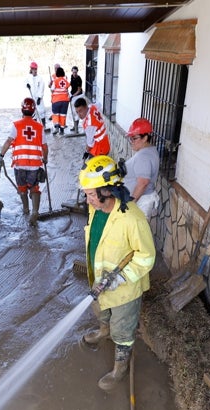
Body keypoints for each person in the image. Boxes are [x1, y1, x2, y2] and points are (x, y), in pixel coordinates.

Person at [78, 155, 155, 391]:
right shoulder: (96, 209)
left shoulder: (132, 218)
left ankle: (119, 368)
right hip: (100, 281)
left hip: (125, 289)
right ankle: (104, 330)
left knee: (123, 328)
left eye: (91, 193)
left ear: (108, 191)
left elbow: (147, 256)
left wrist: (120, 277)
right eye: (87, 193)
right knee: (101, 311)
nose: (87, 199)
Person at [0, 97, 49, 227]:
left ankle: (25, 210)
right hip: (34, 166)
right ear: (33, 111)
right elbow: (44, 147)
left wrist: (1, 155)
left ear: (22, 109)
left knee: (22, 188)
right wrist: (45, 158)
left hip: (20, 165)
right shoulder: (39, 127)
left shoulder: (16, 125)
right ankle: (35, 212)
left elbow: (9, 141)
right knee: (34, 187)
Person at [125, 118, 161, 219]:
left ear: (145, 138)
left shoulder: (144, 156)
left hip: (140, 202)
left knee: (136, 233)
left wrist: (130, 204)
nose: (131, 142)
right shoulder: (150, 151)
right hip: (142, 200)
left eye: (134, 138)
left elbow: (143, 183)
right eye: (130, 138)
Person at [49, 66, 71, 135]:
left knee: (56, 114)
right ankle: (62, 130)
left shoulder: (55, 81)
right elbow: (67, 87)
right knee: (63, 115)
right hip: (65, 101)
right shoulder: (65, 81)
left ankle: (56, 127)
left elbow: (52, 89)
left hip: (56, 100)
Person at [25, 61, 47, 127]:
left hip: (38, 98)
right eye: (33, 69)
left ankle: (43, 125)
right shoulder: (28, 77)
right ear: (31, 69)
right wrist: (27, 85)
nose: (35, 71)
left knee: (41, 111)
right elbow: (25, 83)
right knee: (33, 112)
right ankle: (35, 126)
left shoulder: (40, 78)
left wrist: (40, 97)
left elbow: (41, 87)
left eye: (36, 69)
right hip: (31, 98)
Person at [69, 66, 84, 132]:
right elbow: (70, 84)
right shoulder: (72, 76)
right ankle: (75, 126)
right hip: (73, 95)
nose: (74, 74)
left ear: (77, 72)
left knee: (76, 111)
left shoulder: (79, 79)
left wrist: (72, 96)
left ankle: (76, 128)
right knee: (73, 112)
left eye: (75, 72)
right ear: (72, 71)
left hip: (78, 96)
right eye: (73, 72)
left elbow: (79, 90)